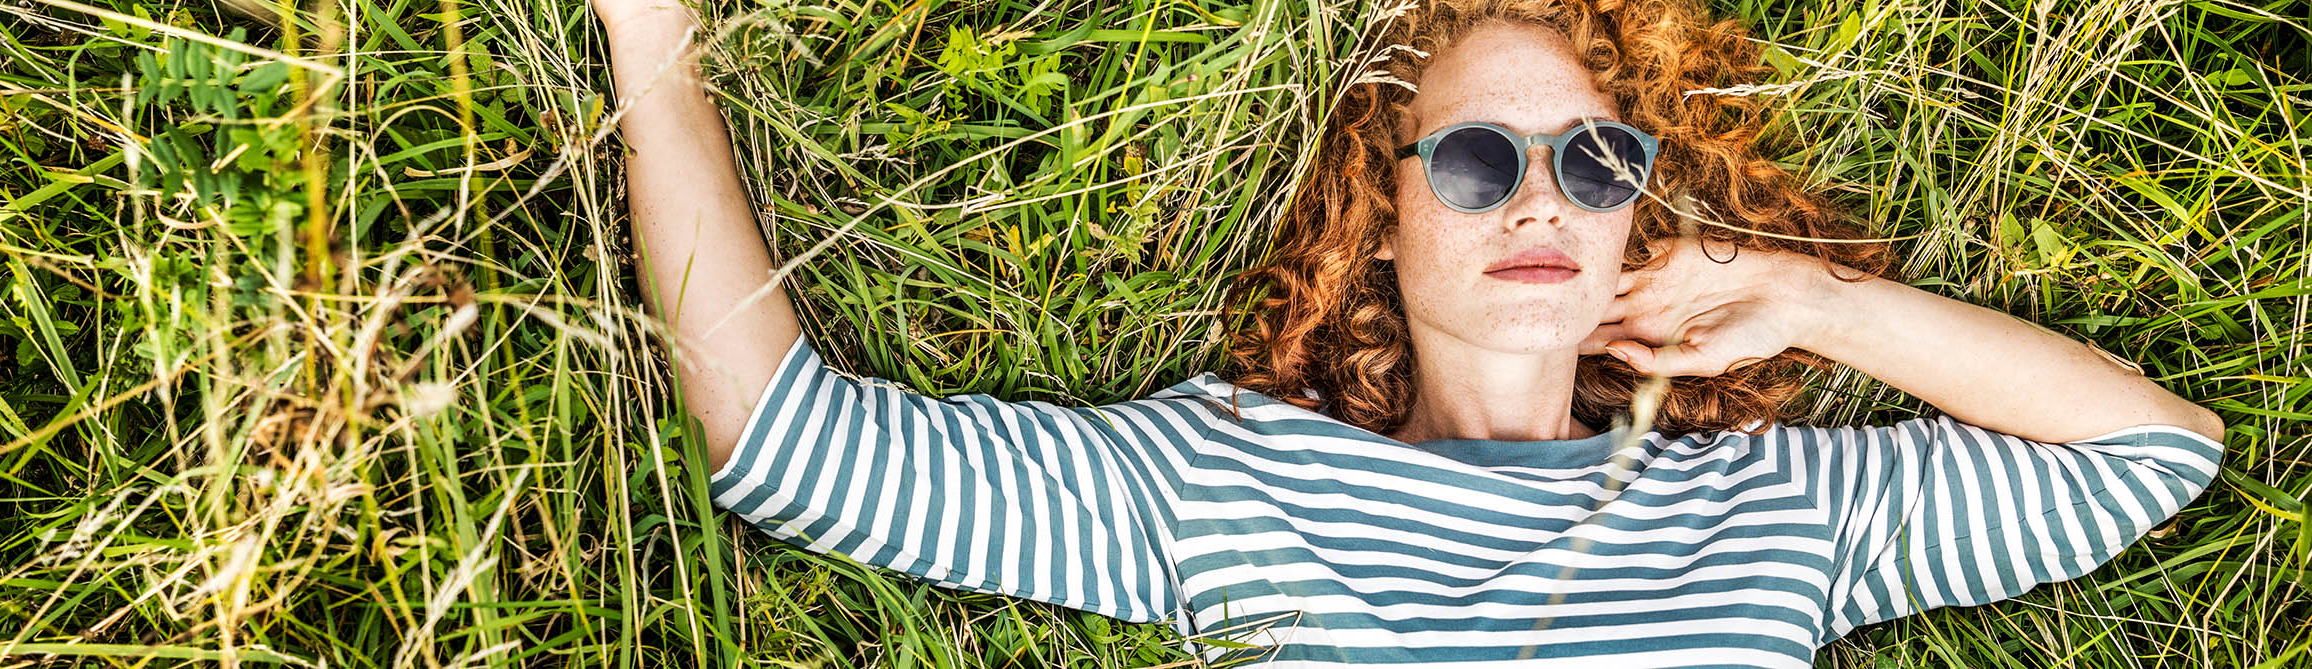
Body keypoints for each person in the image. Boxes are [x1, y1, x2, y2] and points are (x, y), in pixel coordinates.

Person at [597, 0, 2228, 665]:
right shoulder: (1219, 475)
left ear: (1633, 217)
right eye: (1473, 157)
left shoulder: (1780, 504)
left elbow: (2155, 452)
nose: (1539, 202)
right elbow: (789, 444)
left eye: (1594, 162)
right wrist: (649, 36)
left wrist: (1817, 303)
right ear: (1382, 212)